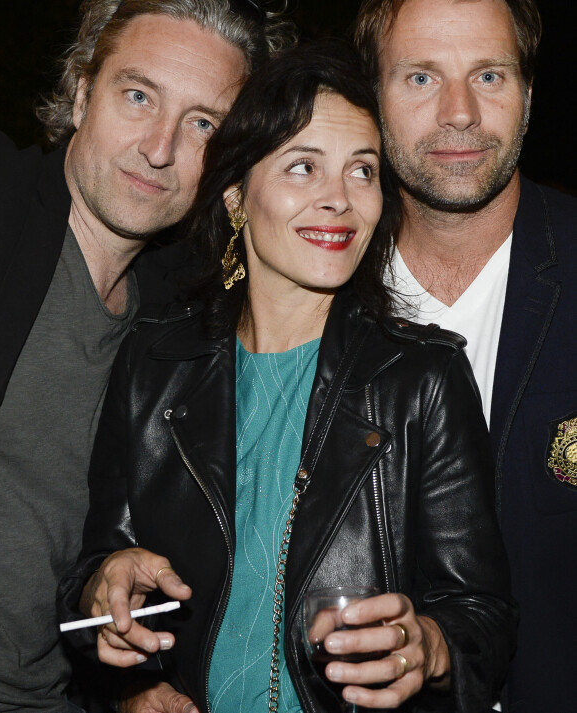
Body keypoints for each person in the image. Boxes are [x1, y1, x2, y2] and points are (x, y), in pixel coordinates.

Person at [59, 42, 516, 713]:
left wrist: (432, 645)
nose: (339, 199)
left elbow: (484, 616)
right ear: (238, 195)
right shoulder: (154, 365)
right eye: (304, 167)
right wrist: (131, 676)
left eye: (363, 171)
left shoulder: (423, 378)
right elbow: (89, 591)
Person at [0, 0, 290, 713]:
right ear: (83, 88)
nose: (159, 149)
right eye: (138, 96)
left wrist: (128, 687)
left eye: (201, 123)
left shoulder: (183, 325)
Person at [354, 0, 577, 713]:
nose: (458, 113)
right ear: (373, 97)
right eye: (420, 76)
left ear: (527, 94)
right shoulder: (314, 290)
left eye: (488, 74)